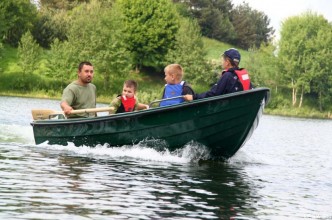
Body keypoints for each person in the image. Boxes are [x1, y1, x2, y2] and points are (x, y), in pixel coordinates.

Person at [183, 48, 252, 101]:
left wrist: (193, 97)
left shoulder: (227, 75)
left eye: (223, 60)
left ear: (227, 62)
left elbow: (213, 94)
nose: (222, 62)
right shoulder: (243, 76)